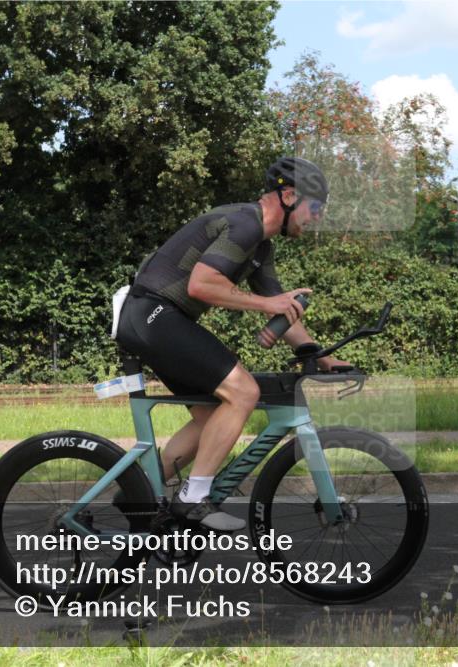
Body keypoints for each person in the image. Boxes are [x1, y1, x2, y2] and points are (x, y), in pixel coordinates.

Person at [116, 157, 346, 531]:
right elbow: (201, 284)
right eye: (316, 206)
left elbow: (282, 310)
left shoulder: (261, 246)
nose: (318, 217)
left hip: (156, 319)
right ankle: (193, 498)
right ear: (289, 196)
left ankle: (137, 493)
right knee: (243, 391)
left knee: (211, 419)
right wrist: (267, 305)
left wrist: (320, 356)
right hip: (153, 314)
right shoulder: (245, 223)